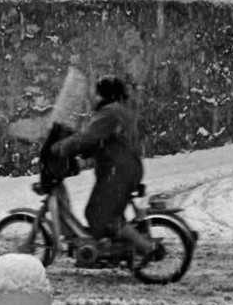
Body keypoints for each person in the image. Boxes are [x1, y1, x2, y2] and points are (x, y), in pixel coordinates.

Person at [51, 75, 162, 260]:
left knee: (102, 216)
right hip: (123, 169)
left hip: (118, 171)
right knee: (97, 212)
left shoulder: (110, 112)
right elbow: (102, 140)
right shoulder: (118, 111)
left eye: (97, 94)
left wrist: (61, 147)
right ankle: (107, 245)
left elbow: (89, 136)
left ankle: (146, 248)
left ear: (106, 95)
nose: (94, 98)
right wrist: (83, 151)